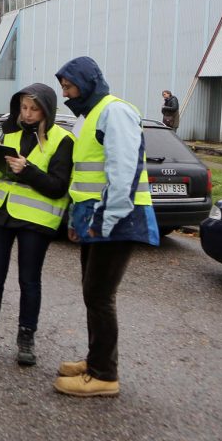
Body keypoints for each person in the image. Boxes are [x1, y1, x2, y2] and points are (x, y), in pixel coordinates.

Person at [53, 56, 159, 397]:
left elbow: (123, 172)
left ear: (86, 83)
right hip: (94, 220)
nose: (66, 94)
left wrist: (106, 222)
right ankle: (95, 360)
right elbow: (84, 176)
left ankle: (104, 375)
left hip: (114, 219)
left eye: (69, 87)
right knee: (92, 293)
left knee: (99, 295)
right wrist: (75, 221)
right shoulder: (89, 117)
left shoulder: (115, 111)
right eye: (64, 88)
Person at [0, 83, 74, 366]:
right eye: (23, 108)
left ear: (47, 110)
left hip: (35, 220)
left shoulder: (62, 140)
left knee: (29, 281)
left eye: (34, 109)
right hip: (2, 213)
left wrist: (27, 169)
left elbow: (58, 187)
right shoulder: (10, 133)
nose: (27, 114)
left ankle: (26, 339)